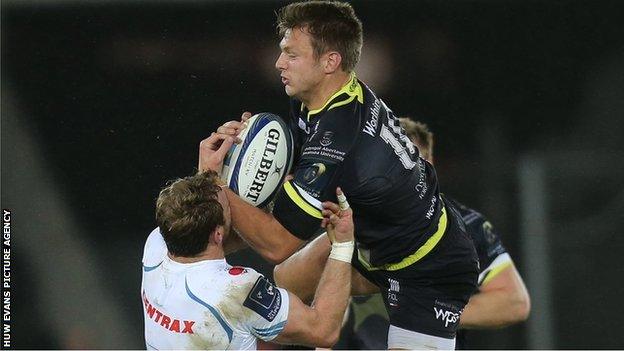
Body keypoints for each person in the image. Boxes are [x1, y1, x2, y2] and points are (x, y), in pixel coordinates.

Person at [199, 1, 478, 349]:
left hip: (430, 267)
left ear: (330, 61)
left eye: (291, 54)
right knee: (284, 283)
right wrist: (251, 153)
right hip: (371, 243)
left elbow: (279, 242)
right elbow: (292, 196)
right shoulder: (316, 99)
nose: (278, 63)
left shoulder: (338, 136)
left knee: (284, 278)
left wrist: (218, 184)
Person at [141, 170, 356, 350]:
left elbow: (207, 228)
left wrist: (209, 173)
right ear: (217, 234)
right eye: (230, 209)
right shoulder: (235, 291)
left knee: (266, 327)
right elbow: (323, 331)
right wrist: (343, 245)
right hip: (232, 314)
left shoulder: (157, 243)